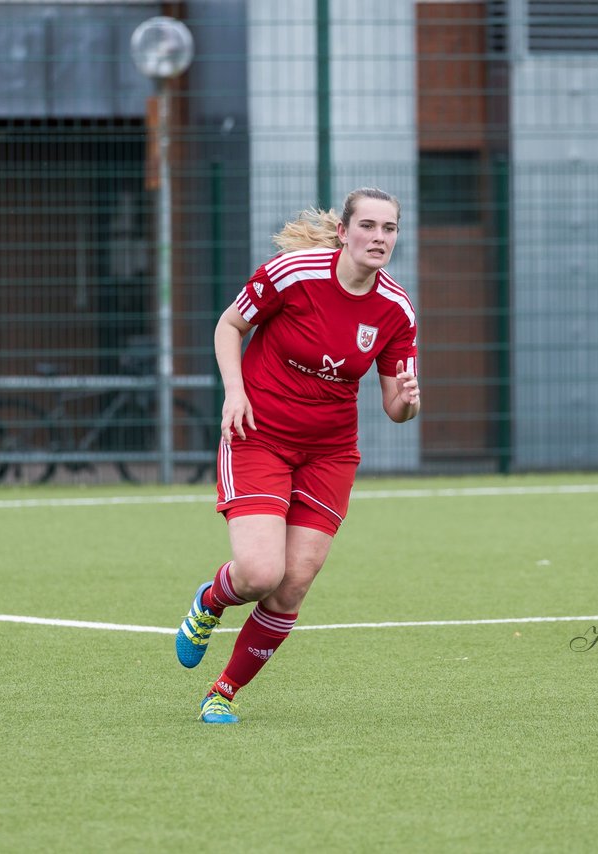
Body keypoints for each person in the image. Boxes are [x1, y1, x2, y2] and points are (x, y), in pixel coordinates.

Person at [173, 188, 420, 723]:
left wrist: (407, 401)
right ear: (343, 232)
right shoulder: (293, 272)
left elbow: (395, 408)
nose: (379, 238)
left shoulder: (396, 309)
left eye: (390, 229)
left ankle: (223, 692)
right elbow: (229, 325)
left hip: (329, 454)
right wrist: (234, 392)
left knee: (293, 584)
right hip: (258, 434)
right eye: (369, 226)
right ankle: (212, 601)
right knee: (260, 573)